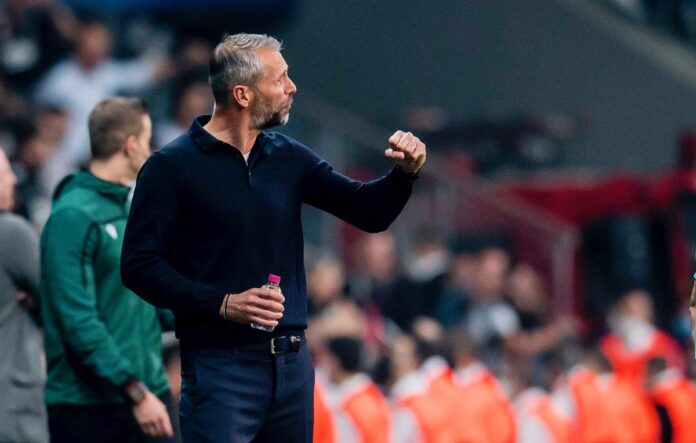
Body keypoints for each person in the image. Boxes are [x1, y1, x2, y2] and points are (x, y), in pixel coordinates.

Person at [120, 33, 426, 442]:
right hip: (220, 366)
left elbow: (368, 213)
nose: (292, 87)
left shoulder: (287, 156)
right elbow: (138, 265)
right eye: (280, 78)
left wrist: (404, 175)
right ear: (243, 94)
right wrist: (222, 303)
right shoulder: (170, 167)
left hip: (292, 366)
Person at [40, 97, 178, 442]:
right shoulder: (72, 217)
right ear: (130, 146)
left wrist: (216, 309)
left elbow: (153, 300)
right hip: (91, 408)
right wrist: (134, 391)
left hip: (149, 393)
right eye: (147, 140)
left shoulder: (130, 208)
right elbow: (77, 320)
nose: (152, 149)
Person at [0, 146, 48, 443]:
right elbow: (57, 297)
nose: (14, 180)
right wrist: (34, 302)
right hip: (13, 410)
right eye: (5, 173)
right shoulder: (11, 232)